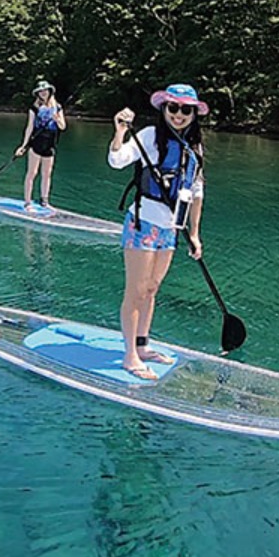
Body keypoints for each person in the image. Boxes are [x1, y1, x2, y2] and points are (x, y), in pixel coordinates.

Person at [108, 83, 207, 380]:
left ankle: (143, 345)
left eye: (185, 109)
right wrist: (120, 131)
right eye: (173, 108)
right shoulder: (149, 137)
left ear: (193, 113)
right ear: (164, 108)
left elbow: (197, 191)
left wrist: (194, 233)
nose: (179, 114)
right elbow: (116, 161)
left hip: (170, 230)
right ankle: (130, 357)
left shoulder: (195, 147)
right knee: (136, 291)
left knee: (152, 289)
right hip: (143, 225)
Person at [15, 80, 67, 210]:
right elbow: (29, 127)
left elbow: (63, 127)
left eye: (45, 90)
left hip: (50, 144)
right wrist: (23, 145)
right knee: (32, 173)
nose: (43, 93)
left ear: (50, 92)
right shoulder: (34, 108)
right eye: (41, 91)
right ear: (38, 94)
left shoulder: (58, 107)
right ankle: (28, 202)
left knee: (47, 174)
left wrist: (57, 119)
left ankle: (44, 201)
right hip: (36, 144)